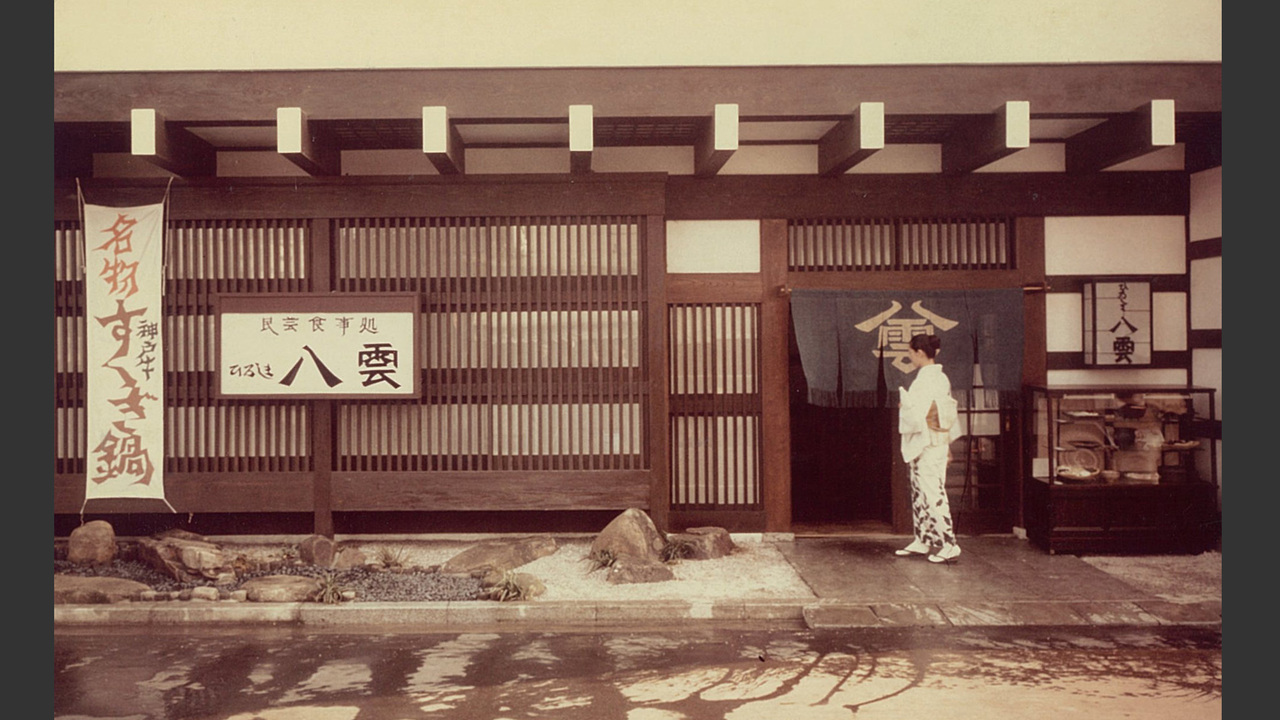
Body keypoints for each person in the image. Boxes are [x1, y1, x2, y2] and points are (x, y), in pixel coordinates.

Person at [894, 333, 963, 563]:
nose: (910, 356)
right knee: (920, 491)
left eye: (910, 352)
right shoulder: (938, 378)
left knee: (932, 491)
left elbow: (916, 416)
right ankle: (923, 540)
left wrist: (904, 405)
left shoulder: (927, 380)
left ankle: (949, 543)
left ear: (919, 353)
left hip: (929, 442)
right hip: (932, 441)